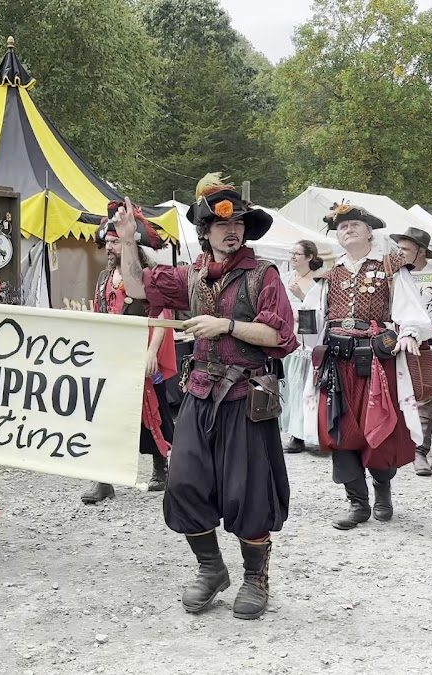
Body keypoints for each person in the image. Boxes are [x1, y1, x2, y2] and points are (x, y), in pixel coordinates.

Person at [117, 173, 298, 621]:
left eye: (238, 223)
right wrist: (127, 240)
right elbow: (136, 287)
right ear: (205, 231)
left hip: (246, 398)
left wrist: (227, 326)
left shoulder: (263, 275)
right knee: (183, 484)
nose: (232, 230)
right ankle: (212, 568)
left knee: (248, 493)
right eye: (222, 224)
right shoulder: (192, 275)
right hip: (198, 394)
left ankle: (255, 578)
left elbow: (279, 335)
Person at [304, 204, 432, 530]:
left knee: (381, 427)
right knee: (340, 430)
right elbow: (310, 318)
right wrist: (303, 342)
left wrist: (409, 332)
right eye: (342, 227)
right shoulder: (328, 275)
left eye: (354, 225)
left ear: (369, 231)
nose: (348, 230)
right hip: (337, 362)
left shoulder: (391, 267)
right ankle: (357, 503)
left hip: (377, 361)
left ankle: (382, 491)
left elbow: (411, 309)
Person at [80, 202, 175, 502]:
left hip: (141, 359)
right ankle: (104, 480)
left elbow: (163, 315)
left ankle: (161, 468)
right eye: (108, 242)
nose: (109, 248)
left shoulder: (147, 277)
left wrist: (152, 352)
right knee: (104, 416)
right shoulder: (103, 279)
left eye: (116, 242)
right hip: (111, 361)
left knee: (153, 414)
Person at [390, 227, 432, 477]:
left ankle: (420, 451)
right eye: (398, 248)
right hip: (397, 343)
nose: (400, 253)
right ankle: (402, 444)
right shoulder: (393, 276)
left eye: (405, 249)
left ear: (420, 251)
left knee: (424, 396)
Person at [280, 240, 322, 453]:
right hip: (285, 338)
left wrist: (302, 297)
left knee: (300, 387)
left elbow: (321, 313)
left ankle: (299, 435)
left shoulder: (318, 281)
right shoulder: (285, 278)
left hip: (306, 342)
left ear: (309, 257)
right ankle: (289, 428)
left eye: (297, 253)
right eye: (292, 253)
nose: (293, 257)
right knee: (287, 386)